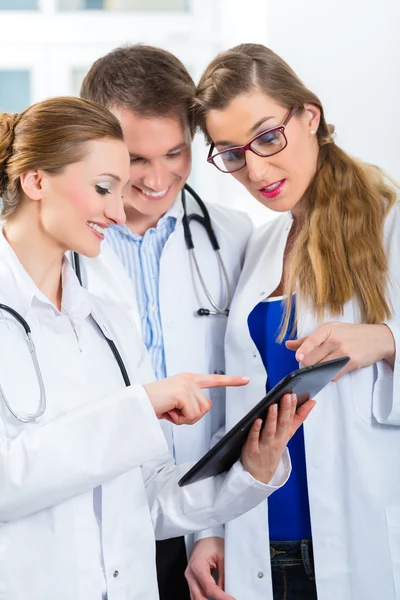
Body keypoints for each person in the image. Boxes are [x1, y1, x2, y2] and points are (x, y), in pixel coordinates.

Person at [0, 96, 316, 600]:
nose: (116, 211)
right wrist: (138, 408)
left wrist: (248, 474)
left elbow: (145, 500)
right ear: (36, 181)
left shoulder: (107, 319)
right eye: (104, 188)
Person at [186, 44, 400, 600]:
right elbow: (235, 410)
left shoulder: (390, 226)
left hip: (362, 542)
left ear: (310, 115)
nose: (255, 170)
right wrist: (211, 528)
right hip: (257, 550)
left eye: (267, 137)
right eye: (231, 153)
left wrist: (385, 339)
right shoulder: (262, 245)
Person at [76, 45, 253, 600]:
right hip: (94, 519)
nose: (157, 178)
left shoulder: (233, 236)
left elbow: (236, 394)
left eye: (175, 152)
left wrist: (212, 526)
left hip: (201, 519)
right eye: (135, 159)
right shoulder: (63, 248)